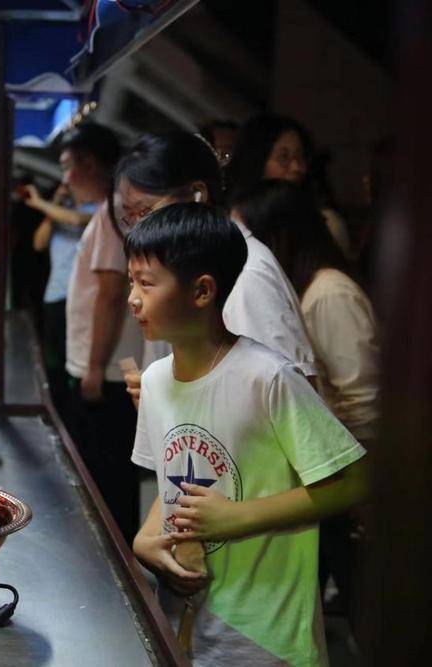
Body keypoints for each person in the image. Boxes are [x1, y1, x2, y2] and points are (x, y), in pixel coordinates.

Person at [127, 203, 368, 666]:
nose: (133, 299)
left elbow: (355, 480)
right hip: (189, 622)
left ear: (202, 291)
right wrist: (146, 540)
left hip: (265, 636)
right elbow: (175, 483)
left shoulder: (267, 377)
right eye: (131, 281)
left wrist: (236, 518)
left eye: (147, 283)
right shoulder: (156, 382)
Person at [232, 180, 379, 624]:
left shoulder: (329, 293)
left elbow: (364, 399)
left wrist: (357, 486)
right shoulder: (304, 289)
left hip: (344, 464)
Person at [113, 133, 318, 408]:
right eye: (129, 215)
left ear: (197, 195)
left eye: (145, 211)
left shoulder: (245, 275)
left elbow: (292, 399)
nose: (137, 228)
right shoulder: (178, 266)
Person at [59, 123, 143, 538]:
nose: (65, 179)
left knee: (105, 478)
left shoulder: (113, 213)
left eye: (68, 167)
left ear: (90, 164)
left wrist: (94, 367)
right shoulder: (107, 212)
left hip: (107, 373)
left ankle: (111, 563)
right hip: (105, 368)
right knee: (106, 475)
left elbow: (111, 293)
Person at [229, 113, 352, 260]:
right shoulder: (235, 219)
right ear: (256, 163)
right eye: (284, 157)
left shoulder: (326, 223)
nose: (297, 168)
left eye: (301, 157)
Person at [25, 182, 93, 412]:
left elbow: (76, 219)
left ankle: (73, 408)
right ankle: (57, 408)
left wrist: (40, 203)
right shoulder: (55, 214)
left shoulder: (100, 209)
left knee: (72, 363)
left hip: (80, 298)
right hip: (54, 295)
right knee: (53, 363)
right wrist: (52, 204)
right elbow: (38, 243)